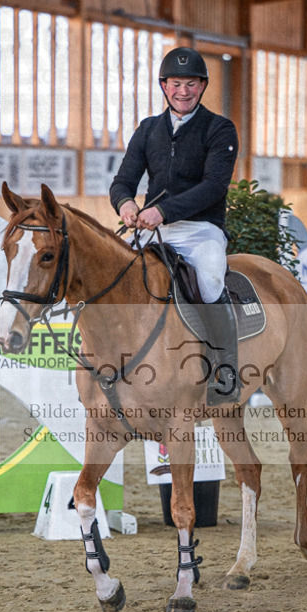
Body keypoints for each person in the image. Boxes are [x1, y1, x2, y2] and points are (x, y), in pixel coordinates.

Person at [109, 46, 240, 403]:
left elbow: (213, 187)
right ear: (164, 86)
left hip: (201, 229)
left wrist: (163, 211)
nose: (183, 91)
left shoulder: (219, 129)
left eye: (192, 84)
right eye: (176, 83)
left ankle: (225, 371)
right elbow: (123, 180)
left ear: (203, 86)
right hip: (154, 231)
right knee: (116, 278)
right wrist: (125, 204)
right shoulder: (149, 129)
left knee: (211, 278)